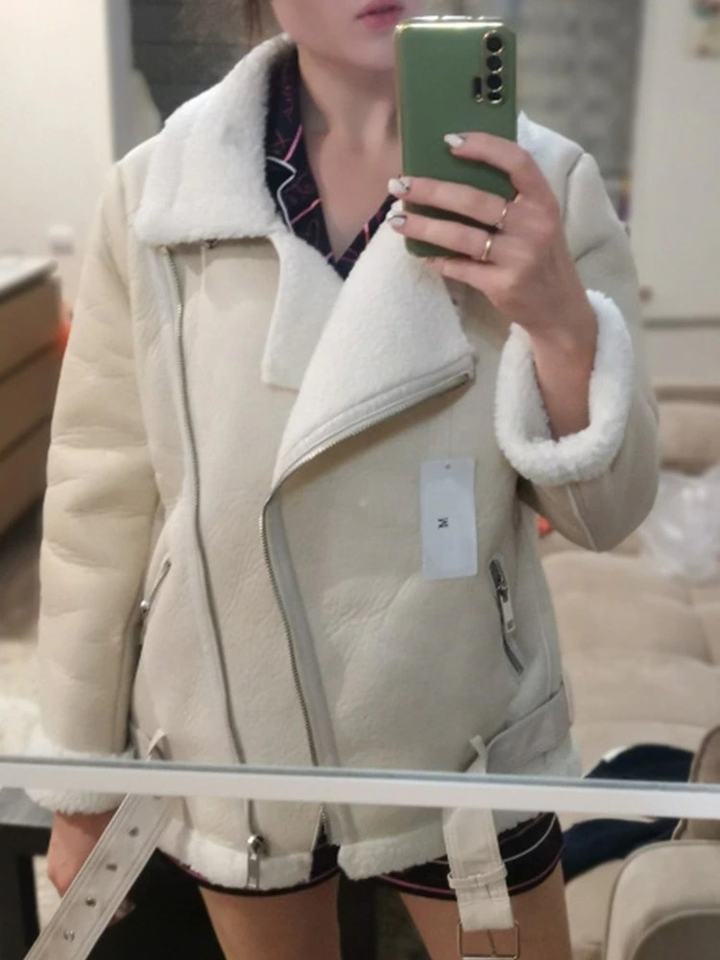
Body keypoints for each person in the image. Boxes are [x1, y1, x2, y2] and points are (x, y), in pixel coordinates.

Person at [26, 2, 661, 958]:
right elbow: (97, 507)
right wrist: (82, 784)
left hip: (460, 734)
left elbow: (606, 513)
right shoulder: (160, 194)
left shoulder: (544, 184)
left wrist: (561, 320)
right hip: (236, 730)